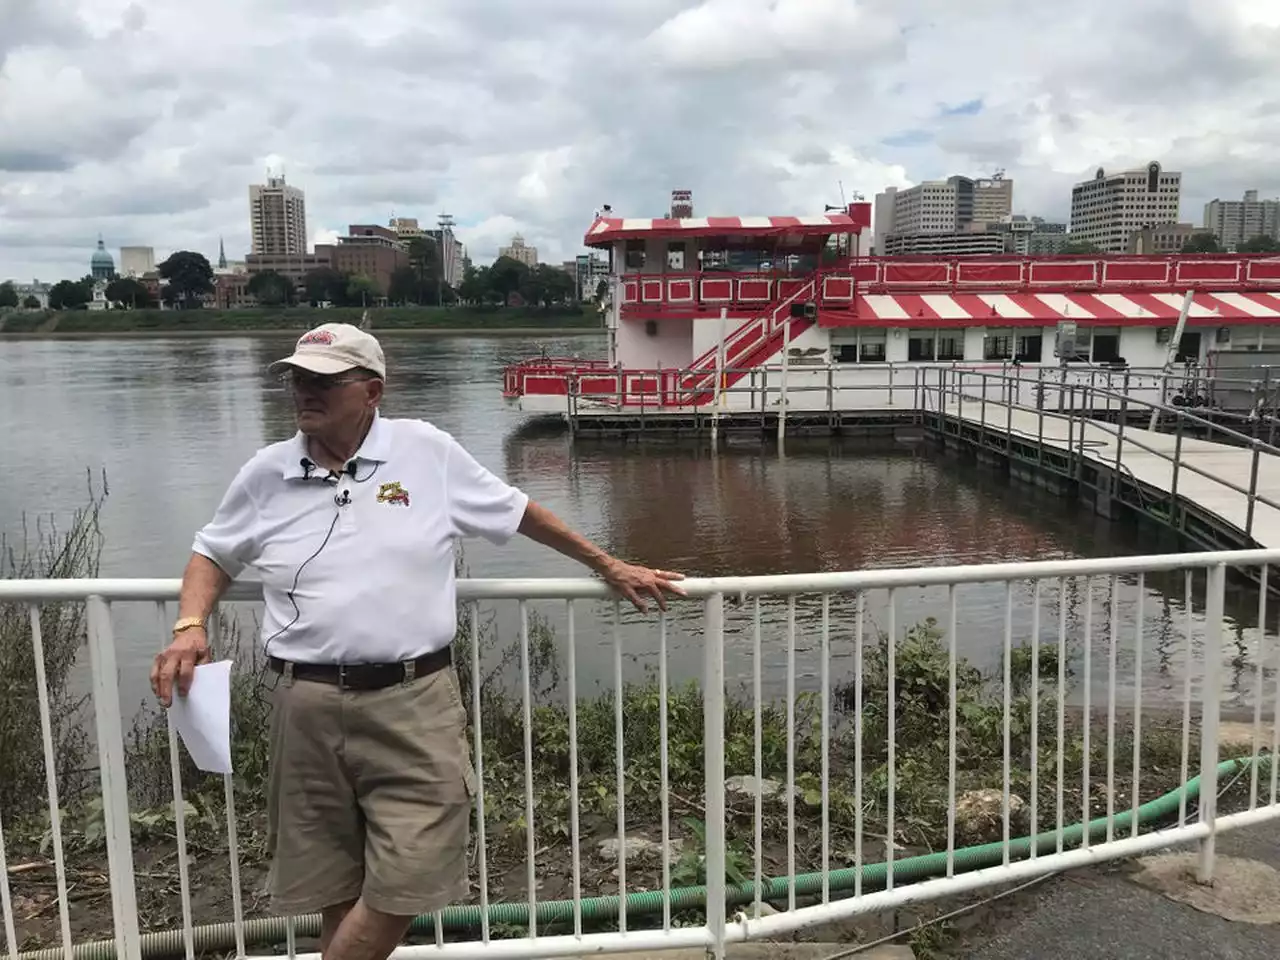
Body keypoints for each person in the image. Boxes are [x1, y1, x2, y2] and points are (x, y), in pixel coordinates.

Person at [151, 322, 684, 960]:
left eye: (323, 380)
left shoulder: (424, 451)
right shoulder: (267, 471)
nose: (304, 391)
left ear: (371, 391)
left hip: (413, 699)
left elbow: (517, 512)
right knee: (332, 878)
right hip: (304, 703)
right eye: (297, 378)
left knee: (410, 874)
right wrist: (190, 626)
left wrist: (607, 564)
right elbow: (213, 551)